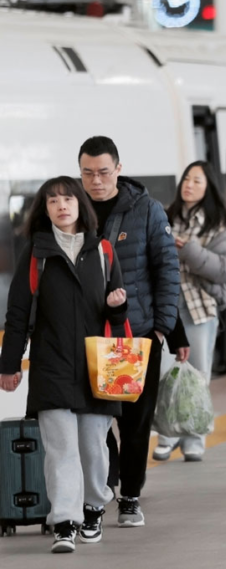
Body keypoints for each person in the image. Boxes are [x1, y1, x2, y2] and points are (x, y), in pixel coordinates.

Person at [1, 177, 127, 553]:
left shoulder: (103, 250)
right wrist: (9, 365)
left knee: (93, 447)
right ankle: (65, 522)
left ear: (79, 205)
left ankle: (93, 508)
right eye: (52, 200)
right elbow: (18, 313)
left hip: (96, 367)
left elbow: (117, 319)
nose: (61, 205)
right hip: (51, 363)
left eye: (67, 198)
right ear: (45, 209)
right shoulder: (36, 253)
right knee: (60, 449)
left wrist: (118, 306)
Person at [78, 136, 180, 528]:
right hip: (87, 337)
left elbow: (167, 270)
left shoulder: (147, 211)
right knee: (93, 420)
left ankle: (131, 496)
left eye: (104, 172)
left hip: (135, 337)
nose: (96, 180)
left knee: (135, 421)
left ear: (118, 169)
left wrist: (160, 329)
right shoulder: (74, 211)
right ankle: (108, 481)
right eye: (87, 173)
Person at [152, 161, 226, 462]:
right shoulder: (161, 217)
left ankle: (195, 435)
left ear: (208, 189)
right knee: (164, 374)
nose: (189, 185)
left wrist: (189, 249)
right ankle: (167, 434)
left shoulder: (217, 228)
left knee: (197, 374)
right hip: (165, 308)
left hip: (200, 310)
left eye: (197, 181)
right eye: (186, 179)